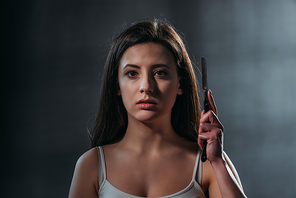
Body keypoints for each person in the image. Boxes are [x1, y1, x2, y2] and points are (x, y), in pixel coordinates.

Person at [68, 20, 247, 198]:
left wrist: (217, 162)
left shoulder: (208, 163)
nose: (146, 86)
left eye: (160, 72)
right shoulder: (92, 166)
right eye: (132, 73)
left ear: (180, 83)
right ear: (116, 86)